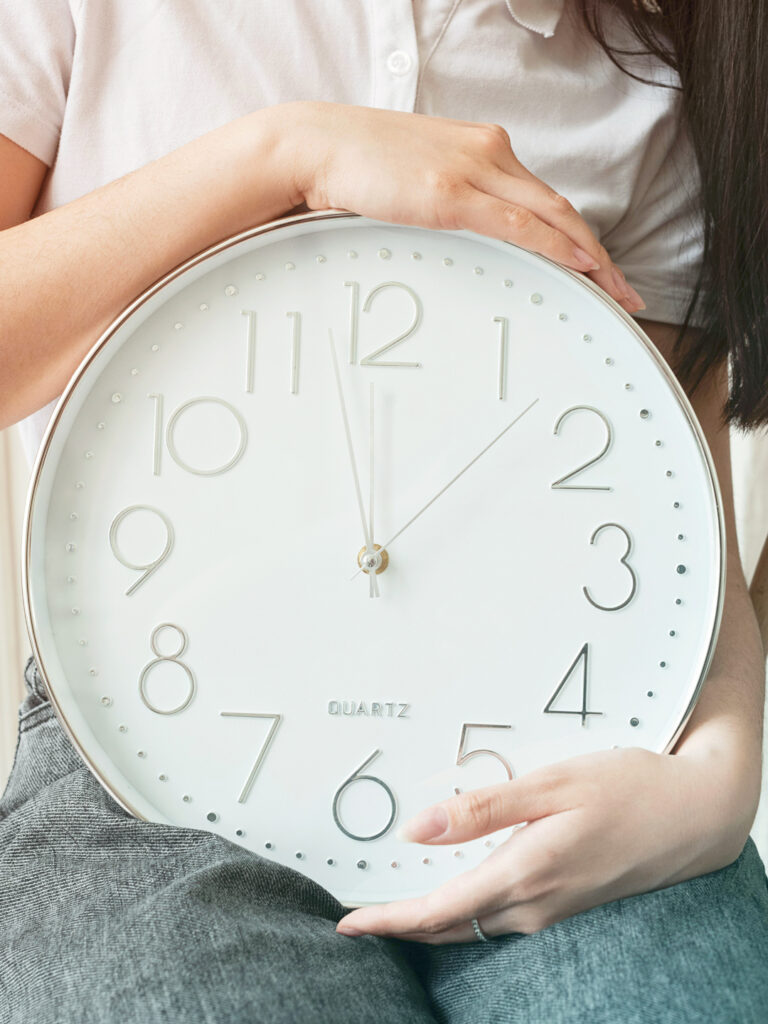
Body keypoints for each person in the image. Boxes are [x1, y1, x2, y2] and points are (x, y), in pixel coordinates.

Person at [1, 2, 767, 1022]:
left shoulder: (647, 73)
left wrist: (719, 781)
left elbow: (677, 528)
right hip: (137, 750)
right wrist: (284, 154)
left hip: (565, 758)